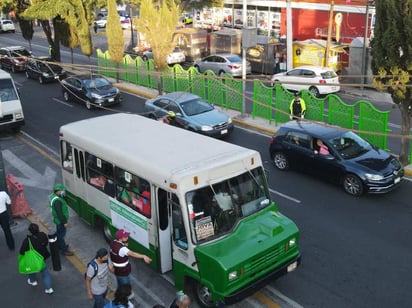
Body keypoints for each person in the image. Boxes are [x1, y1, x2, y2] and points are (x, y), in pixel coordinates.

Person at [20, 223, 54, 294]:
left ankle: (33, 281)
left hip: (33, 260)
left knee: (31, 270)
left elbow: (22, 252)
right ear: (38, 229)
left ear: (30, 231)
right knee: (45, 274)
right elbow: (45, 243)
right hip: (42, 258)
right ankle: (49, 289)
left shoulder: (27, 241)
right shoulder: (43, 235)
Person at [49, 183, 74, 256]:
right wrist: (64, 222)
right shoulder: (57, 201)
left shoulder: (55, 197)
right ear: (58, 191)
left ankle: (60, 246)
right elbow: (59, 213)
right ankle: (64, 250)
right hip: (60, 221)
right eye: (62, 190)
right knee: (61, 235)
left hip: (58, 220)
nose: (63, 191)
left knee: (59, 234)